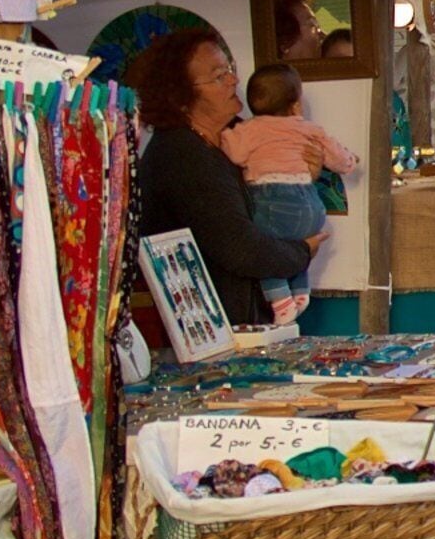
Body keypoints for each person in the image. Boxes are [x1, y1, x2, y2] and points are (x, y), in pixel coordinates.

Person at [128, 26, 318, 332]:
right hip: (207, 335)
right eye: (219, 76)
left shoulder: (233, 136)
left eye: (229, 69)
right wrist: (302, 252)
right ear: (181, 98)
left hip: (246, 324)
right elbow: (240, 248)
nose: (234, 80)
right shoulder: (180, 155)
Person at [220, 63, 357, 322]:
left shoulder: (249, 130)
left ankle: (280, 299)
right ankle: (300, 290)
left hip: (274, 203)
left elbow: (235, 154)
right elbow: (339, 159)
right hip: (311, 207)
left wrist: (225, 136)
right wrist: (351, 161)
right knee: (294, 243)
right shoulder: (309, 129)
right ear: (295, 105)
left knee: (266, 244)